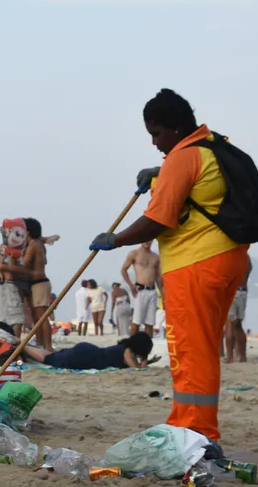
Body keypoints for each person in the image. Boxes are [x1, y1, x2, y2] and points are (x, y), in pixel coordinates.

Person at [89, 89, 249, 442]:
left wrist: (116, 239)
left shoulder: (184, 157)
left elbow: (158, 219)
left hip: (196, 263)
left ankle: (196, 429)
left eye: (157, 133)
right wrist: (161, 174)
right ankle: (186, 420)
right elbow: (199, 189)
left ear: (176, 128)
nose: (154, 142)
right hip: (227, 259)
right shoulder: (212, 145)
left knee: (190, 349)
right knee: (202, 346)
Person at [18, 218, 58, 350]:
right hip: (37, 284)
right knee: (36, 317)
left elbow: (24, 263)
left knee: (41, 318)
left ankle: (48, 347)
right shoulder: (37, 243)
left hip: (40, 284)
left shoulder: (34, 244)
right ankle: (41, 344)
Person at [34, 332, 159, 370]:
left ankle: (26, 348)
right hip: (85, 356)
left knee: (53, 357)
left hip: (87, 352)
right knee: (49, 359)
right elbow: (137, 369)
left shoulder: (126, 349)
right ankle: (23, 347)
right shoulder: (127, 352)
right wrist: (145, 358)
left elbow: (135, 366)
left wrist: (149, 361)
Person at [121, 243, 161, 335]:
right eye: (145, 239)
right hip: (140, 290)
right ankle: (132, 346)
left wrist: (163, 295)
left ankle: (147, 347)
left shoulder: (155, 257)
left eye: (149, 239)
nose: (147, 241)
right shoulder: (134, 253)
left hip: (152, 291)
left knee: (150, 322)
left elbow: (158, 277)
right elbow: (123, 270)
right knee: (136, 321)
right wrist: (131, 285)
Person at [223, 255, 253, 363]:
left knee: (230, 324)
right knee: (239, 325)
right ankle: (243, 356)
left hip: (232, 291)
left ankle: (230, 357)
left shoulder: (231, 257)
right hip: (243, 291)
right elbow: (248, 270)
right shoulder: (246, 258)